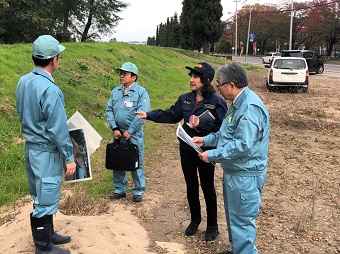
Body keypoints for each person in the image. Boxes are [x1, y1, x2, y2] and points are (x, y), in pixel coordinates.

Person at [135, 62, 227, 241]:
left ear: (205, 80)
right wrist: (149, 115)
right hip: (186, 148)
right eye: (191, 76)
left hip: (206, 151)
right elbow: (171, 115)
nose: (191, 80)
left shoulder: (217, 102)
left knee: (207, 187)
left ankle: (212, 226)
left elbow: (223, 128)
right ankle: (195, 220)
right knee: (191, 184)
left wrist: (203, 124)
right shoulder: (185, 98)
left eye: (195, 77)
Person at [192, 62, 270, 254]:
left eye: (219, 84)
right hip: (235, 173)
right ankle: (237, 249)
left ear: (231, 85)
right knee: (234, 218)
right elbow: (226, 134)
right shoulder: (237, 104)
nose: (217, 89)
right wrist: (206, 140)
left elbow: (242, 145)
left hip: (245, 175)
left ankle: (244, 251)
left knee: (242, 221)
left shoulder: (249, 108)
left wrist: (212, 155)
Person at [15, 35, 76, 254]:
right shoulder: (50, 90)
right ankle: (43, 247)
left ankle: (48, 234)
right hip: (46, 151)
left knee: (40, 194)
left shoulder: (24, 81)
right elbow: (58, 129)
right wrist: (69, 157)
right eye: (58, 56)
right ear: (53, 59)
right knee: (47, 194)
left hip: (31, 148)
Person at [106, 62, 150, 203]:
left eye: (124, 73)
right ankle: (119, 189)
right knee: (118, 160)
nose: (121, 76)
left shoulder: (141, 93)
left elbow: (141, 115)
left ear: (134, 77)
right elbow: (109, 110)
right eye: (120, 73)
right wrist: (114, 128)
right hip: (118, 134)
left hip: (134, 134)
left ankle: (138, 190)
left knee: (136, 162)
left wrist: (130, 131)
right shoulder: (115, 92)